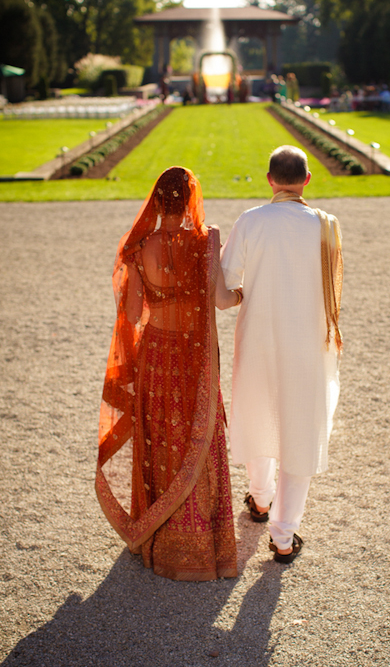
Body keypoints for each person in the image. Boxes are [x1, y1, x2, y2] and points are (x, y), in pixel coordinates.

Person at [96, 167, 241, 581]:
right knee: (196, 435)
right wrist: (243, 295)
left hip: (157, 354)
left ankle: (157, 538)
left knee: (160, 435)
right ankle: (202, 543)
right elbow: (221, 301)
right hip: (193, 358)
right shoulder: (207, 240)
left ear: (157, 202)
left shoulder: (139, 246)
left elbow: (133, 314)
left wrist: (154, 289)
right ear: (191, 198)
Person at [221, 146, 343, 564]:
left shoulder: (251, 220)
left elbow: (225, 282)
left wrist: (244, 294)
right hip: (306, 340)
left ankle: (259, 500)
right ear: (308, 179)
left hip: (258, 334)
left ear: (270, 179)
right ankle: (284, 536)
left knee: (257, 413)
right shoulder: (326, 225)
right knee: (299, 429)